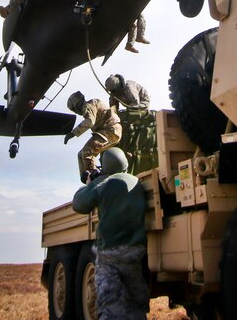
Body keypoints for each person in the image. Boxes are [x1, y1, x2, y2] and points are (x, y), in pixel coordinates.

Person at [72, 147, 149, 319]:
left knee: (110, 303)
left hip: (110, 253)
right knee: (136, 301)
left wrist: (92, 182)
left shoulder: (103, 184)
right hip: (135, 252)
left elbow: (79, 204)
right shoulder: (136, 182)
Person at [104, 74, 158, 174]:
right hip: (129, 106)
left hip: (141, 103)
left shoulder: (129, 87)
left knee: (132, 114)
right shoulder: (114, 92)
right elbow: (113, 108)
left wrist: (126, 116)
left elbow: (135, 102)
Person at [64, 91, 122, 183]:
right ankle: (87, 180)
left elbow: (90, 122)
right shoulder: (89, 108)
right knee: (80, 155)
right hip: (108, 132)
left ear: (78, 105)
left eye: (75, 109)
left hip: (111, 130)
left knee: (87, 152)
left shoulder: (90, 105)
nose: (76, 112)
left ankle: (95, 179)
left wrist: (73, 133)